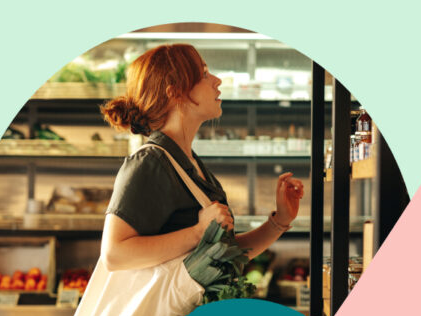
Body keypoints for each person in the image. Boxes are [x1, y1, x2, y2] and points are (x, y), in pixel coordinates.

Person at [99, 43, 304, 272]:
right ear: (175, 92)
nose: (217, 80)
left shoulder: (188, 163)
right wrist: (198, 232)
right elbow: (114, 255)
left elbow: (224, 257)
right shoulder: (150, 163)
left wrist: (279, 222)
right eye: (204, 74)